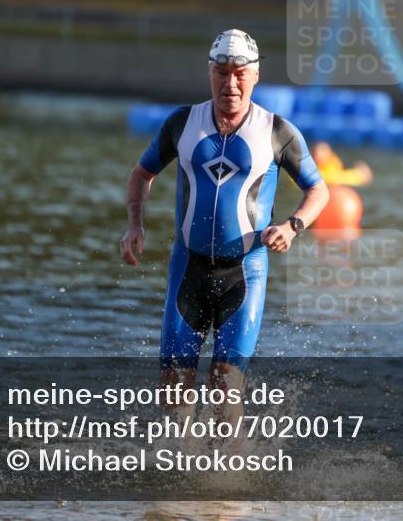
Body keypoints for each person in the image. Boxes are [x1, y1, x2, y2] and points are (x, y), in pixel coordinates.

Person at [120, 29, 329, 415]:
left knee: (226, 384)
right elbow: (141, 174)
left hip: (245, 272)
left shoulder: (277, 132)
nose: (229, 84)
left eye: (239, 73)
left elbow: (318, 191)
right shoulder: (182, 124)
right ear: (209, 73)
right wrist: (135, 225)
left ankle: (226, 473)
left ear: (255, 76)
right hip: (188, 269)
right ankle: (182, 468)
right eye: (221, 72)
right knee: (173, 390)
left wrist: (292, 226)